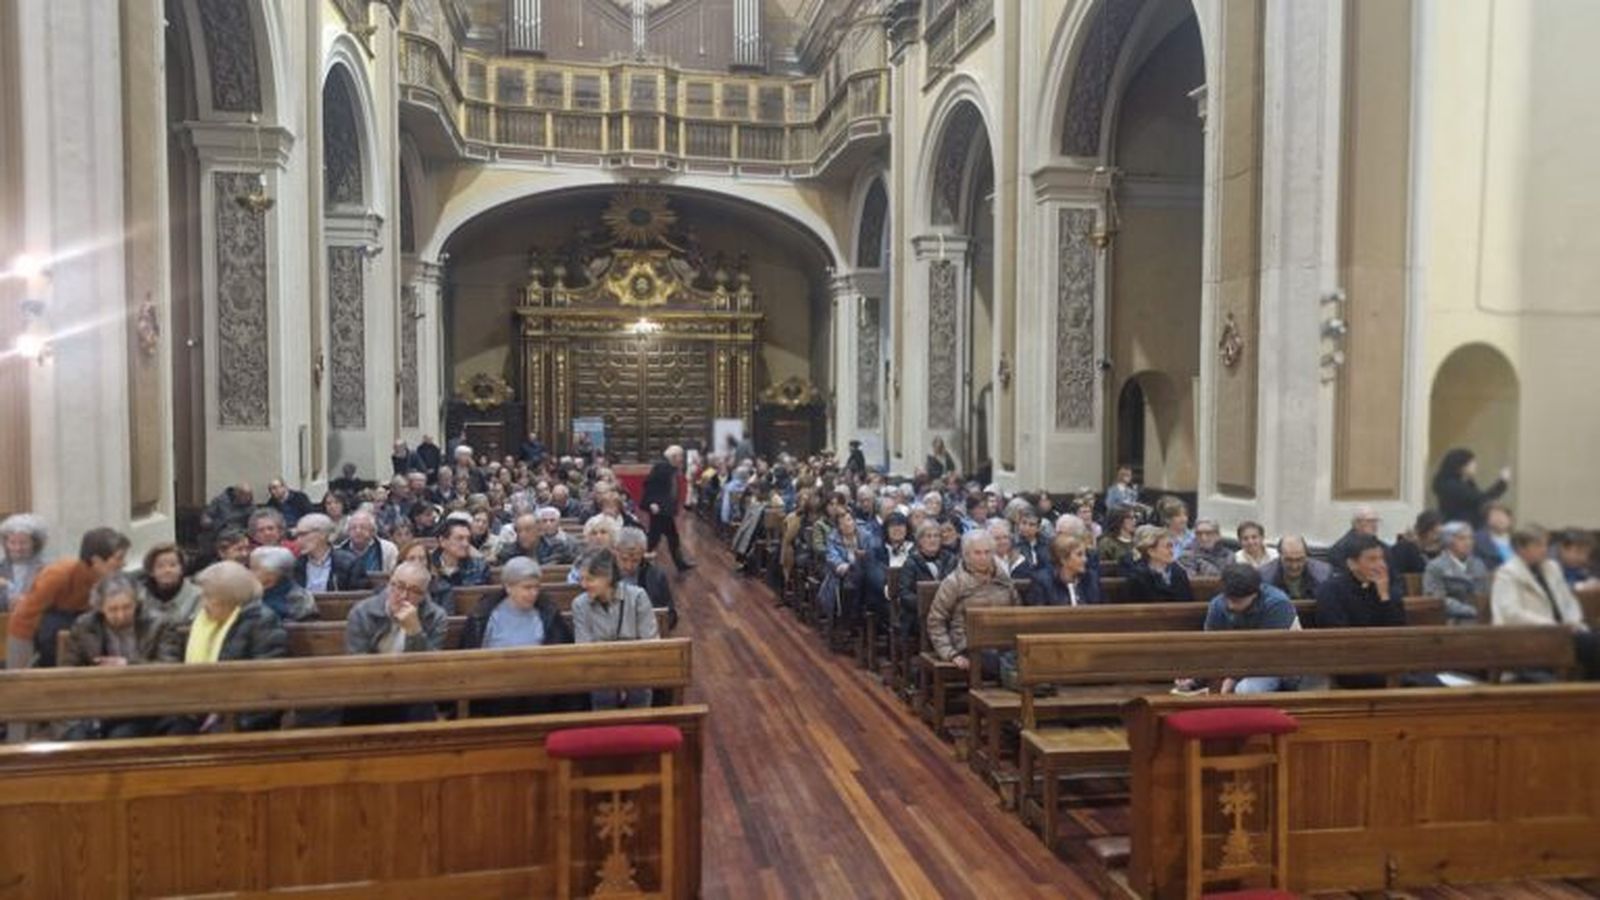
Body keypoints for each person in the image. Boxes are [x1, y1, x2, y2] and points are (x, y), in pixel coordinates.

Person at [157, 561, 289, 733]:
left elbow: (266, 682)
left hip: (243, 716)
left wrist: (224, 714)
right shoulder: (205, 621)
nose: (203, 604)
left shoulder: (262, 623)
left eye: (209, 597)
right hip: (202, 708)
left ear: (231, 598)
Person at [60, 574, 173, 739]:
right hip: (97, 703)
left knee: (121, 735)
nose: (121, 615)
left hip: (144, 703)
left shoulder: (159, 623)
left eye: (127, 607)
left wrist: (128, 665)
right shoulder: (84, 626)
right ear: (100, 608)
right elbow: (68, 671)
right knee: (76, 738)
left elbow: (169, 668)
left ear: (137, 603)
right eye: (113, 609)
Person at [459, 557, 575, 715]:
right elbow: (468, 661)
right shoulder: (483, 615)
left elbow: (562, 659)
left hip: (540, 693)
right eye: (527, 588)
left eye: (536, 587)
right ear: (508, 587)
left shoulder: (548, 613)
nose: (533, 593)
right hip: (494, 694)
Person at [342, 561, 450, 724]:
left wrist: (415, 631)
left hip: (415, 692)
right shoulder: (362, 612)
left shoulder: (436, 617)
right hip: (369, 692)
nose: (404, 596)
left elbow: (429, 669)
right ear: (389, 583)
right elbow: (357, 665)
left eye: (414, 591)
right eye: (399, 586)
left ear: (423, 595)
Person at [8, 527, 130, 669]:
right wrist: (17, 672)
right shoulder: (58, 575)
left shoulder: (114, 581)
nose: (124, 563)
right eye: (119, 558)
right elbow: (24, 618)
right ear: (96, 561)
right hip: (51, 635)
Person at [1490, 526, 1597, 680]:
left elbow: (1568, 601)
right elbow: (1511, 613)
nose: (1544, 550)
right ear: (1521, 548)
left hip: (1563, 631)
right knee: (1592, 644)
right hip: (1532, 635)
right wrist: (1552, 625)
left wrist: (1574, 622)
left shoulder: (1551, 568)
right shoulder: (1507, 574)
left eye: (1546, 544)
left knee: (1593, 639)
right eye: (1538, 545)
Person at [572, 549, 661, 709]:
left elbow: (651, 642)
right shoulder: (580, 604)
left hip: (637, 671)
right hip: (600, 674)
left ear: (607, 577)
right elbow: (584, 648)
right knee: (602, 692)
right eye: (581, 579)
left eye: (589, 579)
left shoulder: (637, 597)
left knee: (640, 690)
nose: (583, 585)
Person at [1195, 565, 1301, 694]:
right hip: (1233, 663)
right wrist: (1195, 676)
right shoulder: (1218, 604)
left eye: (1237, 601)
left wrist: (1233, 678)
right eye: (1228, 598)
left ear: (1254, 594)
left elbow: (1267, 652)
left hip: (1275, 665)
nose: (1230, 605)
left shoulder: (1278, 605)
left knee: (1245, 690)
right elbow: (1210, 644)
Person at [926, 531, 1020, 673]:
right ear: (966, 555)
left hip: (1003, 641)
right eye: (977, 553)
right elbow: (935, 621)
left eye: (987, 552)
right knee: (998, 662)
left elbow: (1018, 612)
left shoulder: (1004, 580)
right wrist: (950, 653)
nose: (983, 557)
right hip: (968, 644)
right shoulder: (954, 582)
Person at [822, 510, 886, 624]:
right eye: (842, 523)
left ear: (854, 521)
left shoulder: (866, 534)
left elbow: (875, 552)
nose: (847, 524)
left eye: (849, 520)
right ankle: (851, 619)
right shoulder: (833, 538)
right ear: (838, 527)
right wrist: (843, 565)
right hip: (842, 576)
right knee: (852, 582)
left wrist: (866, 555)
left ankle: (868, 617)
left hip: (867, 572)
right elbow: (832, 558)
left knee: (869, 579)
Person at [899, 522, 959, 641]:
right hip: (918, 614)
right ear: (920, 541)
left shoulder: (950, 560)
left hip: (947, 612)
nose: (933, 540)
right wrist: (929, 606)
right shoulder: (911, 563)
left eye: (936, 536)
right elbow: (905, 594)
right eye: (928, 536)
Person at [1423, 522, 1489, 623]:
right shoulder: (1435, 566)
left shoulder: (1478, 564)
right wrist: (1470, 611)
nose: (1468, 543)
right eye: (1462, 538)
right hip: (1451, 620)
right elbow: (1437, 599)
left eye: (1470, 538)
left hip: (1480, 618)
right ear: (1448, 541)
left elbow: (1484, 593)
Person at [616, 527, 677, 632]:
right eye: (624, 559)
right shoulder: (603, 574)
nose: (629, 566)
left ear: (643, 554)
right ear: (615, 552)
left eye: (635, 561)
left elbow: (670, 614)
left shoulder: (656, 577)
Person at [643, 445, 694, 571]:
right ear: (674, 457)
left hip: (664, 509)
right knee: (655, 537)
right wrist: (652, 502)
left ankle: (680, 564)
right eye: (680, 456)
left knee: (669, 537)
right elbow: (649, 485)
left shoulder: (669, 468)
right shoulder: (661, 468)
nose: (682, 459)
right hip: (660, 509)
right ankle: (643, 562)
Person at [1432, 448, 1509, 529]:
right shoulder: (1450, 485)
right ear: (1462, 466)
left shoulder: (1468, 483)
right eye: (1472, 463)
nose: (1475, 466)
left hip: (1470, 526)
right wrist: (1502, 483)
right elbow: (1481, 499)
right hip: (1457, 528)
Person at [291, 513, 368, 592]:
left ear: (322, 535)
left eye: (303, 534)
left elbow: (360, 596)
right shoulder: (295, 565)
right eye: (297, 536)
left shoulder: (350, 564)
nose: (298, 541)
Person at [1026, 534, 1101, 606]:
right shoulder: (1042, 582)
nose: (1085, 559)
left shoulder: (1091, 578)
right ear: (1063, 559)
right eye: (1079, 555)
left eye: (1085, 554)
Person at [249, 546, 319, 622]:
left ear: (272, 574)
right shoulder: (251, 594)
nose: (249, 573)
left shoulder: (299, 598)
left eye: (255, 569)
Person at [137, 542, 202, 624]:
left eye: (173, 565)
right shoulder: (140, 595)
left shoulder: (197, 595)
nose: (167, 570)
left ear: (182, 568)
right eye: (160, 566)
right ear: (151, 571)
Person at [1126, 525, 1193, 602]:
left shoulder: (1180, 573)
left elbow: (1189, 601)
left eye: (1171, 546)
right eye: (1167, 547)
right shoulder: (1138, 577)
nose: (1171, 551)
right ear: (1151, 551)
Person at [0, 513, 48, 612]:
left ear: (35, 543)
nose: (18, 548)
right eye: (12, 543)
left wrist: (27, 602)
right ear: (5, 544)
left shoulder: (46, 569)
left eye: (23, 543)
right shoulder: (1, 568)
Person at [1259, 535, 1330, 600]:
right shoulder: (1263, 578)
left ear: (1306, 555)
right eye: (1289, 560)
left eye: (1299, 559)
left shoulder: (1324, 575)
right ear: (1280, 556)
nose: (1294, 566)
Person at [431, 519, 490, 587]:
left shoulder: (478, 567)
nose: (466, 544)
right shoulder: (429, 564)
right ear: (443, 541)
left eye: (468, 539)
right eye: (459, 538)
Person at [339, 510, 398, 575]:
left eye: (363, 527)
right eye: (353, 528)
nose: (358, 531)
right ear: (348, 532)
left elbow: (394, 575)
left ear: (373, 531)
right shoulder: (339, 551)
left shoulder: (388, 549)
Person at [1391, 510, 1444, 577]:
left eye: (1439, 534)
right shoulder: (1402, 550)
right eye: (1434, 533)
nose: (1436, 538)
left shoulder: (1438, 552)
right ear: (1423, 531)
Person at [1474, 503, 1515, 570]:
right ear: (1487, 520)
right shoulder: (1477, 540)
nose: (1500, 519)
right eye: (1495, 515)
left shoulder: (1517, 540)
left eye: (1503, 515)